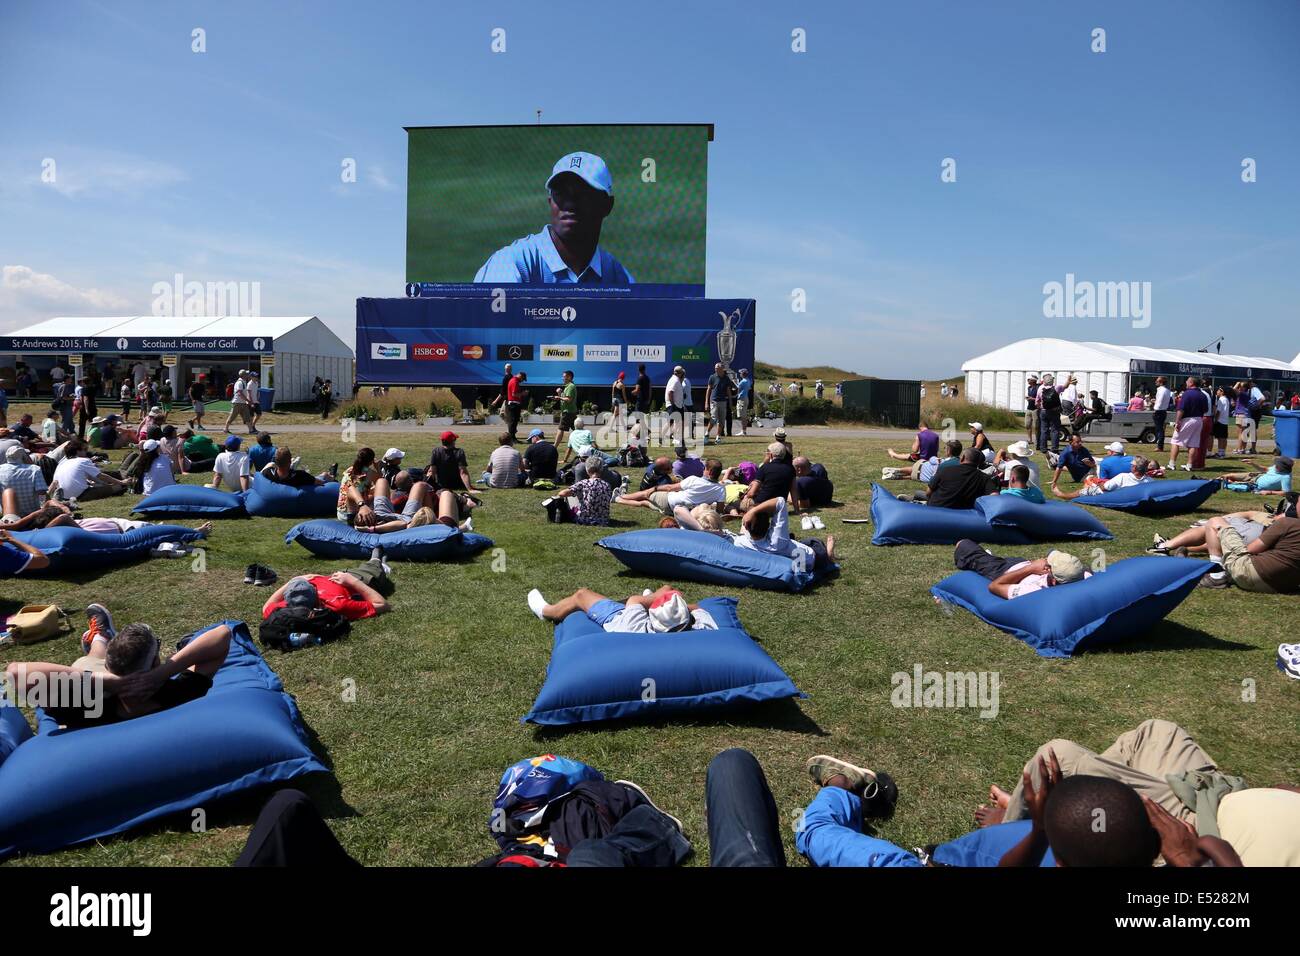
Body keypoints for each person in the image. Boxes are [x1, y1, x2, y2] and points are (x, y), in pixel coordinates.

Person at [6, 617, 232, 729]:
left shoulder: (84, 705)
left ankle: (101, 637)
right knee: (93, 659)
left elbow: (16, 672)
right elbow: (222, 634)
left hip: (95, 675)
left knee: (92, 659)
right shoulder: (178, 693)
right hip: (103, 675)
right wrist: (163, 673)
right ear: (154, 661)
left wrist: (107, 682)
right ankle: (100, 638)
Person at [474, 151, 633, 286]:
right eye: (561, 193)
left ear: (607, 205)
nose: (570, 203)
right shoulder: (511, 264)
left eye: (583, 193)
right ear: (551, 202)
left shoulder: (617, 277)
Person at [527, 585, 717, 632]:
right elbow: (699, 608)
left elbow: (634, 600)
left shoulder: (635, 628)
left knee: (581, 594)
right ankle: (655, 596)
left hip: (616, 618)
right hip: (667, 620)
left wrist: (654, 599)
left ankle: (546, 611)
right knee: (668, 590)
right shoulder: (704, 627)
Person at [1198, 512, 1300, 592]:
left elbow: (1251, 549)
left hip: (1251, 575)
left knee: (1215, 521)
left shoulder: (1287, 523)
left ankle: (1216, 575)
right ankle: (1226, 573)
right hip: (1282, 587)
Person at [952, 539, 1088, 598]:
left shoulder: (1033, 590)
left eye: (1049, 566)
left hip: (1002, 570)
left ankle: (982, 558)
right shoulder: (1078, 575)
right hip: (1021, 563)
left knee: (963, 544)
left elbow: (995, 586)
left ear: (1053, 581)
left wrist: (1031, 568)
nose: (1046, 562)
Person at [733, 495, 836, 572]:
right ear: (769, 524)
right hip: (813, 559)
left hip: (788, 553)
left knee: (794, 541)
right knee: (815, 542)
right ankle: (829, 556)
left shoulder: (741, 542)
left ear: (746, 526)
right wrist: (753, 511)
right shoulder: (777, 541)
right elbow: (780, 501)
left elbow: (741, 533)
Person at [262, 565, 391, 621]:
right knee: (374, 565)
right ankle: (379, 558)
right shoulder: (337, 605)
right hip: (359, 579)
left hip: (335, 576)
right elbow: (383, 605)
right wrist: (352, 580)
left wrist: (292, 581)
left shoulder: (282, 609)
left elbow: (267, 607)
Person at [1149, 507, 1283, 556]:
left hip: (1263, 534)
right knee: (1220, 539)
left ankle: (1164, 546)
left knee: (1212, 527)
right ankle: (1180, 548)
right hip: (1269, 539)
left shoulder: (1286, 519)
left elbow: (1283, 520)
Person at [616, 458, 725, 516]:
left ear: (709, 471)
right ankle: (618, 500)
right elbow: (719, 511)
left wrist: (654, 488)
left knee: (646, 494)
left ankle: (622, 496)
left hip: (669, 501)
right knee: (645, 503)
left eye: (705, 468)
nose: (703, 470)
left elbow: (670, 488)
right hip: (677, 512)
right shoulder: (721, 489)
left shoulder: (694, 479)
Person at [911, 448, 998, 508]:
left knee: (918, 493)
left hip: (936, 510)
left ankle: (916, 503)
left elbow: (928, 492)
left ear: (962, 458)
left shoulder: (945, 470)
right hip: (963, 514)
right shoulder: (984, 478)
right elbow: (995, 497)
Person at [49, 440, 129, 503]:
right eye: (85, 449)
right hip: (80, 495)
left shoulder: (61, 463)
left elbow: (54, 482)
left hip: (63, 496)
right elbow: (101, 476)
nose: (86, 452)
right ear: (77, 451)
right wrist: (121, 482)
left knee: (103, 484)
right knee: (118, 487)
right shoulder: (83, 461)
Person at [542, 457, 615, 525]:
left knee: (570, 495)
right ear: (601, 469)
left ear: (587, 470)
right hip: (604, 520)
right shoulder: (607, 485)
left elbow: (562, 494)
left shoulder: (583, 483)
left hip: (585, 519)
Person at [1051, 455, 1153, 499]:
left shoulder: (1123, 477)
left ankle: (1063, 495)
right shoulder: (1149, 481)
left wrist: (1097, 482)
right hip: (1131, 494)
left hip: (1113, 495)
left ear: (1134, 467)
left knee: (1084, 491)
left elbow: (1105, 487)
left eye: (1132, 465)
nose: (1130, 466)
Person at [1167, 376, 1207, 471]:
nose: (1186, 382)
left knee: (1176, 441)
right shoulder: (1203, 395)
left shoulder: (1187, 394)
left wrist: (1177, 421)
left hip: (1187, 419)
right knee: (1193, 443)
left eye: (1187, 381)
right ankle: (1189, 465)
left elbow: (1181, 409)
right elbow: (1206, 409)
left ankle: (1171, 463)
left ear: (1191, 383)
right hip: (1198, 419)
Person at [337, 447, 380, 524]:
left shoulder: (350, 470)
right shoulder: (369, 473)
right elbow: (381, 482)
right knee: (378, 495)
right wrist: (377, 467)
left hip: (341, 513)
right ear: (371, 461)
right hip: (354, 514)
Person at [1218, 456, 1293, 496]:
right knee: (1229, 476)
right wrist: (1253, 463)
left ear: (1284, 468)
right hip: (1255, 476)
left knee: (1227, 485)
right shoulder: (1276, 467)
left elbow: (1286, 493)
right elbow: (1265, 469)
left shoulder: (1285, 477)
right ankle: (1213, 480)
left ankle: (1217, 483)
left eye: (1278, 466)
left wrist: (1269, 492)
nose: (1275, 466)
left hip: (1255, 486)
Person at [1036, 373, 1063, 454]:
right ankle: (1054, 448)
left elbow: (1037, 402)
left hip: (1043, 411)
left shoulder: (1040, 389)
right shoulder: (1056, 388)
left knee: (1044, 430)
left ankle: (1043, 448)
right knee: (1055, 430)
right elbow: (1065, 386)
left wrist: (1040, 407)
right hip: (1054, 411)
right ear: (1052, 381)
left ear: (1044, 381)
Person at [553, 370, 578, 449]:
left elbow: (568, 399)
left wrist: (559, 397)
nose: (562, 378)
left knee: (560, 429)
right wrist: (559, 394)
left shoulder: (571, 386)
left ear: (569, 377)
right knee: (577, 430)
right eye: (563, 377)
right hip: (570, 412)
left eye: (564, 377)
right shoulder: (568, 386)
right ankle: (590, 445)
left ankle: (554, 447)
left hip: (568, 412)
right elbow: (564, 399)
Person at [663, 365, 686, 445]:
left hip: (677, 405)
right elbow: (670, 392)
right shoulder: (675, 381)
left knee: (678, 422)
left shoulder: (675, 379)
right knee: (671, 422)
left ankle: (679, 439)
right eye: (682, 372)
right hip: (674, 405)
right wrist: (673, 404)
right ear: (680, 373)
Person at [705, 363, 728, 445]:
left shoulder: (726, 378)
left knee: (721, 420)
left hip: (723, 402)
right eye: (715, 368)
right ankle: (707, 434)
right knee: (714, 418)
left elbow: (728, 389)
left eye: (717, 367)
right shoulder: (712, 377)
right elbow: (708, 389)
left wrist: (731, 400)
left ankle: (718, 437)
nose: (716, 369)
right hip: (714, 401)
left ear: (722, 368)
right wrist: (706, 402)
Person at [504, 370, 528, 443]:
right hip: (513, 404)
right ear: (520, 376)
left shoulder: (513, 380)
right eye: (522, 379)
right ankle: (512, 439)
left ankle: (513, 438)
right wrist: (523, 394)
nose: (522, 381)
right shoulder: (515, 381)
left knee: (513, 422)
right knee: (512, 422)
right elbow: (514, 394)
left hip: (513, 404)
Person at [734, 368, 752, 437]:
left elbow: (737, 388)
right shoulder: (748, 380)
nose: (740, 374)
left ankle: (743, 431)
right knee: (744, 415)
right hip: (746, 398)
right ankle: (744, 431)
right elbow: (748, 388)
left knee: (742, 416)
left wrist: (734, 382)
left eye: (740, 373)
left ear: (743, 374)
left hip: (741, 399)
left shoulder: (743, 381)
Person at [1024, 375, 1039, 446]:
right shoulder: (1029, 388)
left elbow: (1040, 398)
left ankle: (1037, 440)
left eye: (1029, 379)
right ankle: (1030, 440)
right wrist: (1028, 398)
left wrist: (1031, 398)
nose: (1028, 381)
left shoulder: (1038, 388)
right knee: (1027, 425)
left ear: (1034, 381)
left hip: (1035, 409)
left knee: (1036, 426)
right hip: (1029, 408)